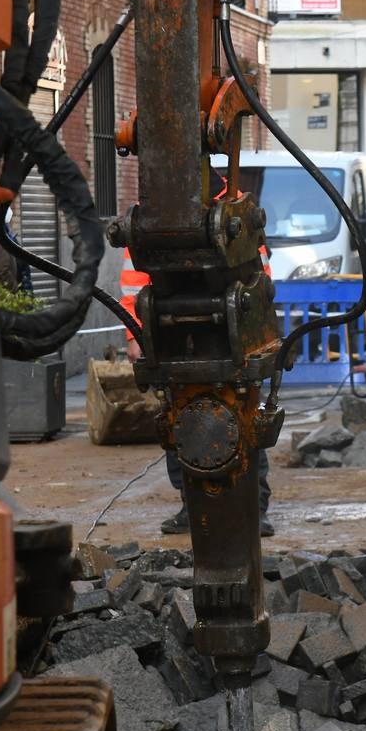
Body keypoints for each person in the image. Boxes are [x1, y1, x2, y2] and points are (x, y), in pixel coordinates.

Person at [118, 175, 276, 539]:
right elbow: (132, 282)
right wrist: (135, 333)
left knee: (243, 415)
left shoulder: (235, 211)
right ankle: (193, 507)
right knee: (181, 417)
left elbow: (260, 276)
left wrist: (254, 332)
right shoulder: (154, 219)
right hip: (175, 333)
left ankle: (254, 507)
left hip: (232, 332)